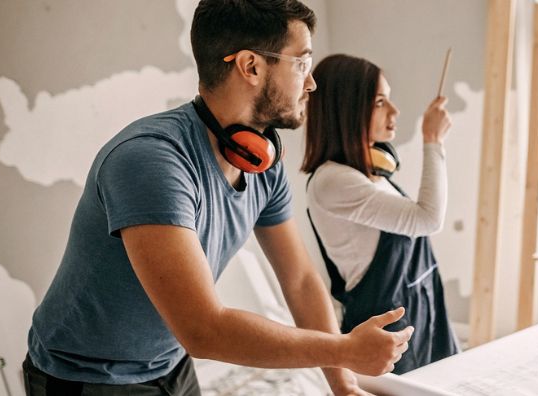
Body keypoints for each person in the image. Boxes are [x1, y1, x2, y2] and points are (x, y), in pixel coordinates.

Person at [23, 2, 411, 395]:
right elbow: (204, 330)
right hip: (84, 376)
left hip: (170, 363)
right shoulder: (151, 161)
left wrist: (342, 384)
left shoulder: (263, 160)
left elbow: (299, 280)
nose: (310, 83)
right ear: (251, 66)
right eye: (301, 64)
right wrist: (345, 349)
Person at [301, 54, 459, 374]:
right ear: (347, 108)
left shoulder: (370, 173)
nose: (395, 111)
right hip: (385, 326)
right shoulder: (333, 181)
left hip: (422, 307)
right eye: (380, 102)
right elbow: (427, 219)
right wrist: (432, 141)